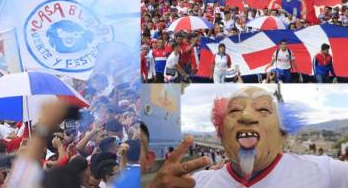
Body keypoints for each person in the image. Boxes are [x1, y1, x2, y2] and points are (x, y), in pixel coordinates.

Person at [146, 86, 348, 188]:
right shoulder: (195, 183)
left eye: (262, 109)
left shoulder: (327, 173)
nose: (247, 116)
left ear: (282, 134)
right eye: (234, 111)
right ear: (222, 134)